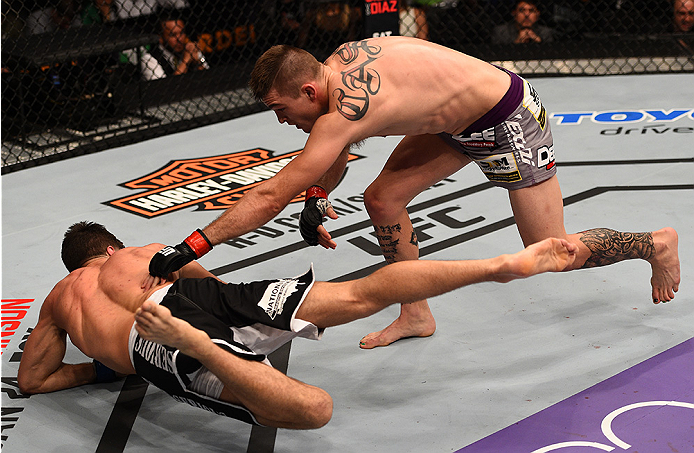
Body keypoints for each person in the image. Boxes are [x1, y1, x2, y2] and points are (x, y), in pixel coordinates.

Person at [148, 37, 681, 350]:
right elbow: (327, 160)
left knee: (552, 251)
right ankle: (416, 313)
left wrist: (191, 247)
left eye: (280, 108)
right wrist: (315, 199)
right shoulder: (337, 71)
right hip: (452, 119)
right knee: (383, 199)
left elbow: (269, 195)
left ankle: (653, 243)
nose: (281, 119)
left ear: (309, 91)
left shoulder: (344, 112)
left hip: (506, 116)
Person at [17, 221, 577, 429]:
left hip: (151, 342)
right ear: (110, 247)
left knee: (312, 410)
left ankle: (204, 348)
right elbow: (201, 276)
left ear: (74, 268)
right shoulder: (138, 250)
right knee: (357, 294)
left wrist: (104, 369)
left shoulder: (61, 299)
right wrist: (239, 311)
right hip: (192, 293)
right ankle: (498, 265)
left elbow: (34, 381)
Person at [138, 14, 209, 80]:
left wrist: (197, 62)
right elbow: (166, 89)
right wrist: (186, 61)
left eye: (181, 33)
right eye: (173, 35)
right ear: (161, 38)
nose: (179, 39)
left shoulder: (190, 49)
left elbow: (208, 77)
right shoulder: (149, 60)